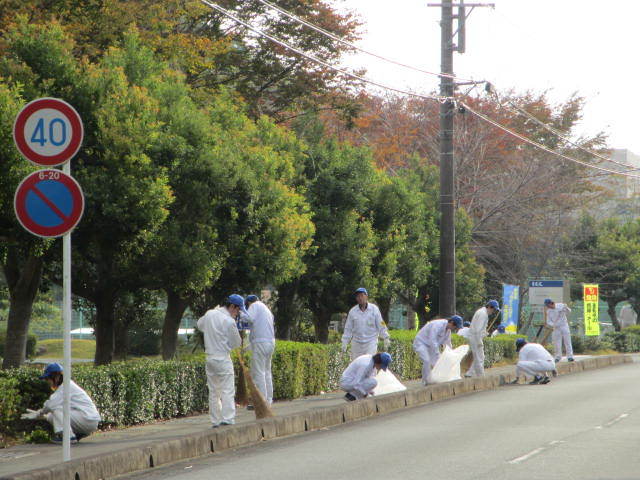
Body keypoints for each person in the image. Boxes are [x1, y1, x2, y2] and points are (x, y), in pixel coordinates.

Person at [20, 363, 100, 444]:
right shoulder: (67, 385)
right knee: (53, 414)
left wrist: (38, 413)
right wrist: (44, 417)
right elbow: (55, 413)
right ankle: (76, 434)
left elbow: (51, 405)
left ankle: (69, 437)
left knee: (56, 409)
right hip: (88, 421)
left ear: (57, 377)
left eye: (48, 379)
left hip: (86, 420)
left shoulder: (65, 386)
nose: (47, 382)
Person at [197, 294, 244, 427]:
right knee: (227, 390)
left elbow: (200, 325)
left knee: (213, 391)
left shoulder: (210, 313)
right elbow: (236, 343)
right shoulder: (229, 321)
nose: (238, 313)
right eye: (238, 310)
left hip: (210, 358)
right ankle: (228, 418)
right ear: (232, 306)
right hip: (222, 358)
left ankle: (215, 420)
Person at [342, 288, 390, 360]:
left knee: (369, 363)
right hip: (356, 343)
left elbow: (381, 323)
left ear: (366, 296)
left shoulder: (374, 309)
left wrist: (386, 337)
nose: (360, 298)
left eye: (362, 295)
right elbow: (348, 328)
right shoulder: (352, 311)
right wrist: (344, 342)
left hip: (371, 342)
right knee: (357, 365)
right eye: (358, 296)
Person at [245, 294, 275, 406]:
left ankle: (261, 401)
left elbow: (249, 318)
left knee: (259, 372)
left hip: (260, 343)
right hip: (270, 342)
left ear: (248, 303)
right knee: (267, 371)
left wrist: (241, 314)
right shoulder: (266, 309)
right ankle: (269, 399)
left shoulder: (254, 306)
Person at [413, 315, 462, 385]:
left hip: (430, 346)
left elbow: (447, 343)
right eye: (455, 326)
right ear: (451, 322)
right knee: (427, 360)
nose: (455, 329)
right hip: (421, 343)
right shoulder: (437, 325)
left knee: (436, 363)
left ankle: (433, 379)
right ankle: (425, 381)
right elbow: (432, 340)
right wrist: (437, 354)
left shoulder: (448, 330)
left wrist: (451, 354)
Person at [465, 300, 500, 378]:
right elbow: (477, 329)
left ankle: (469, 373)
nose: (493, 312)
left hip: (475, 337)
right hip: (475, 338)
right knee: (479, 357)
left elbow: (480, 328)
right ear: (490, 307)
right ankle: (481, 376)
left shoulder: (482, 312)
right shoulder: (483, 314)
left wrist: (484, 333)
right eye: (494, 309)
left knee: (479, 357)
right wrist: (479, 341)